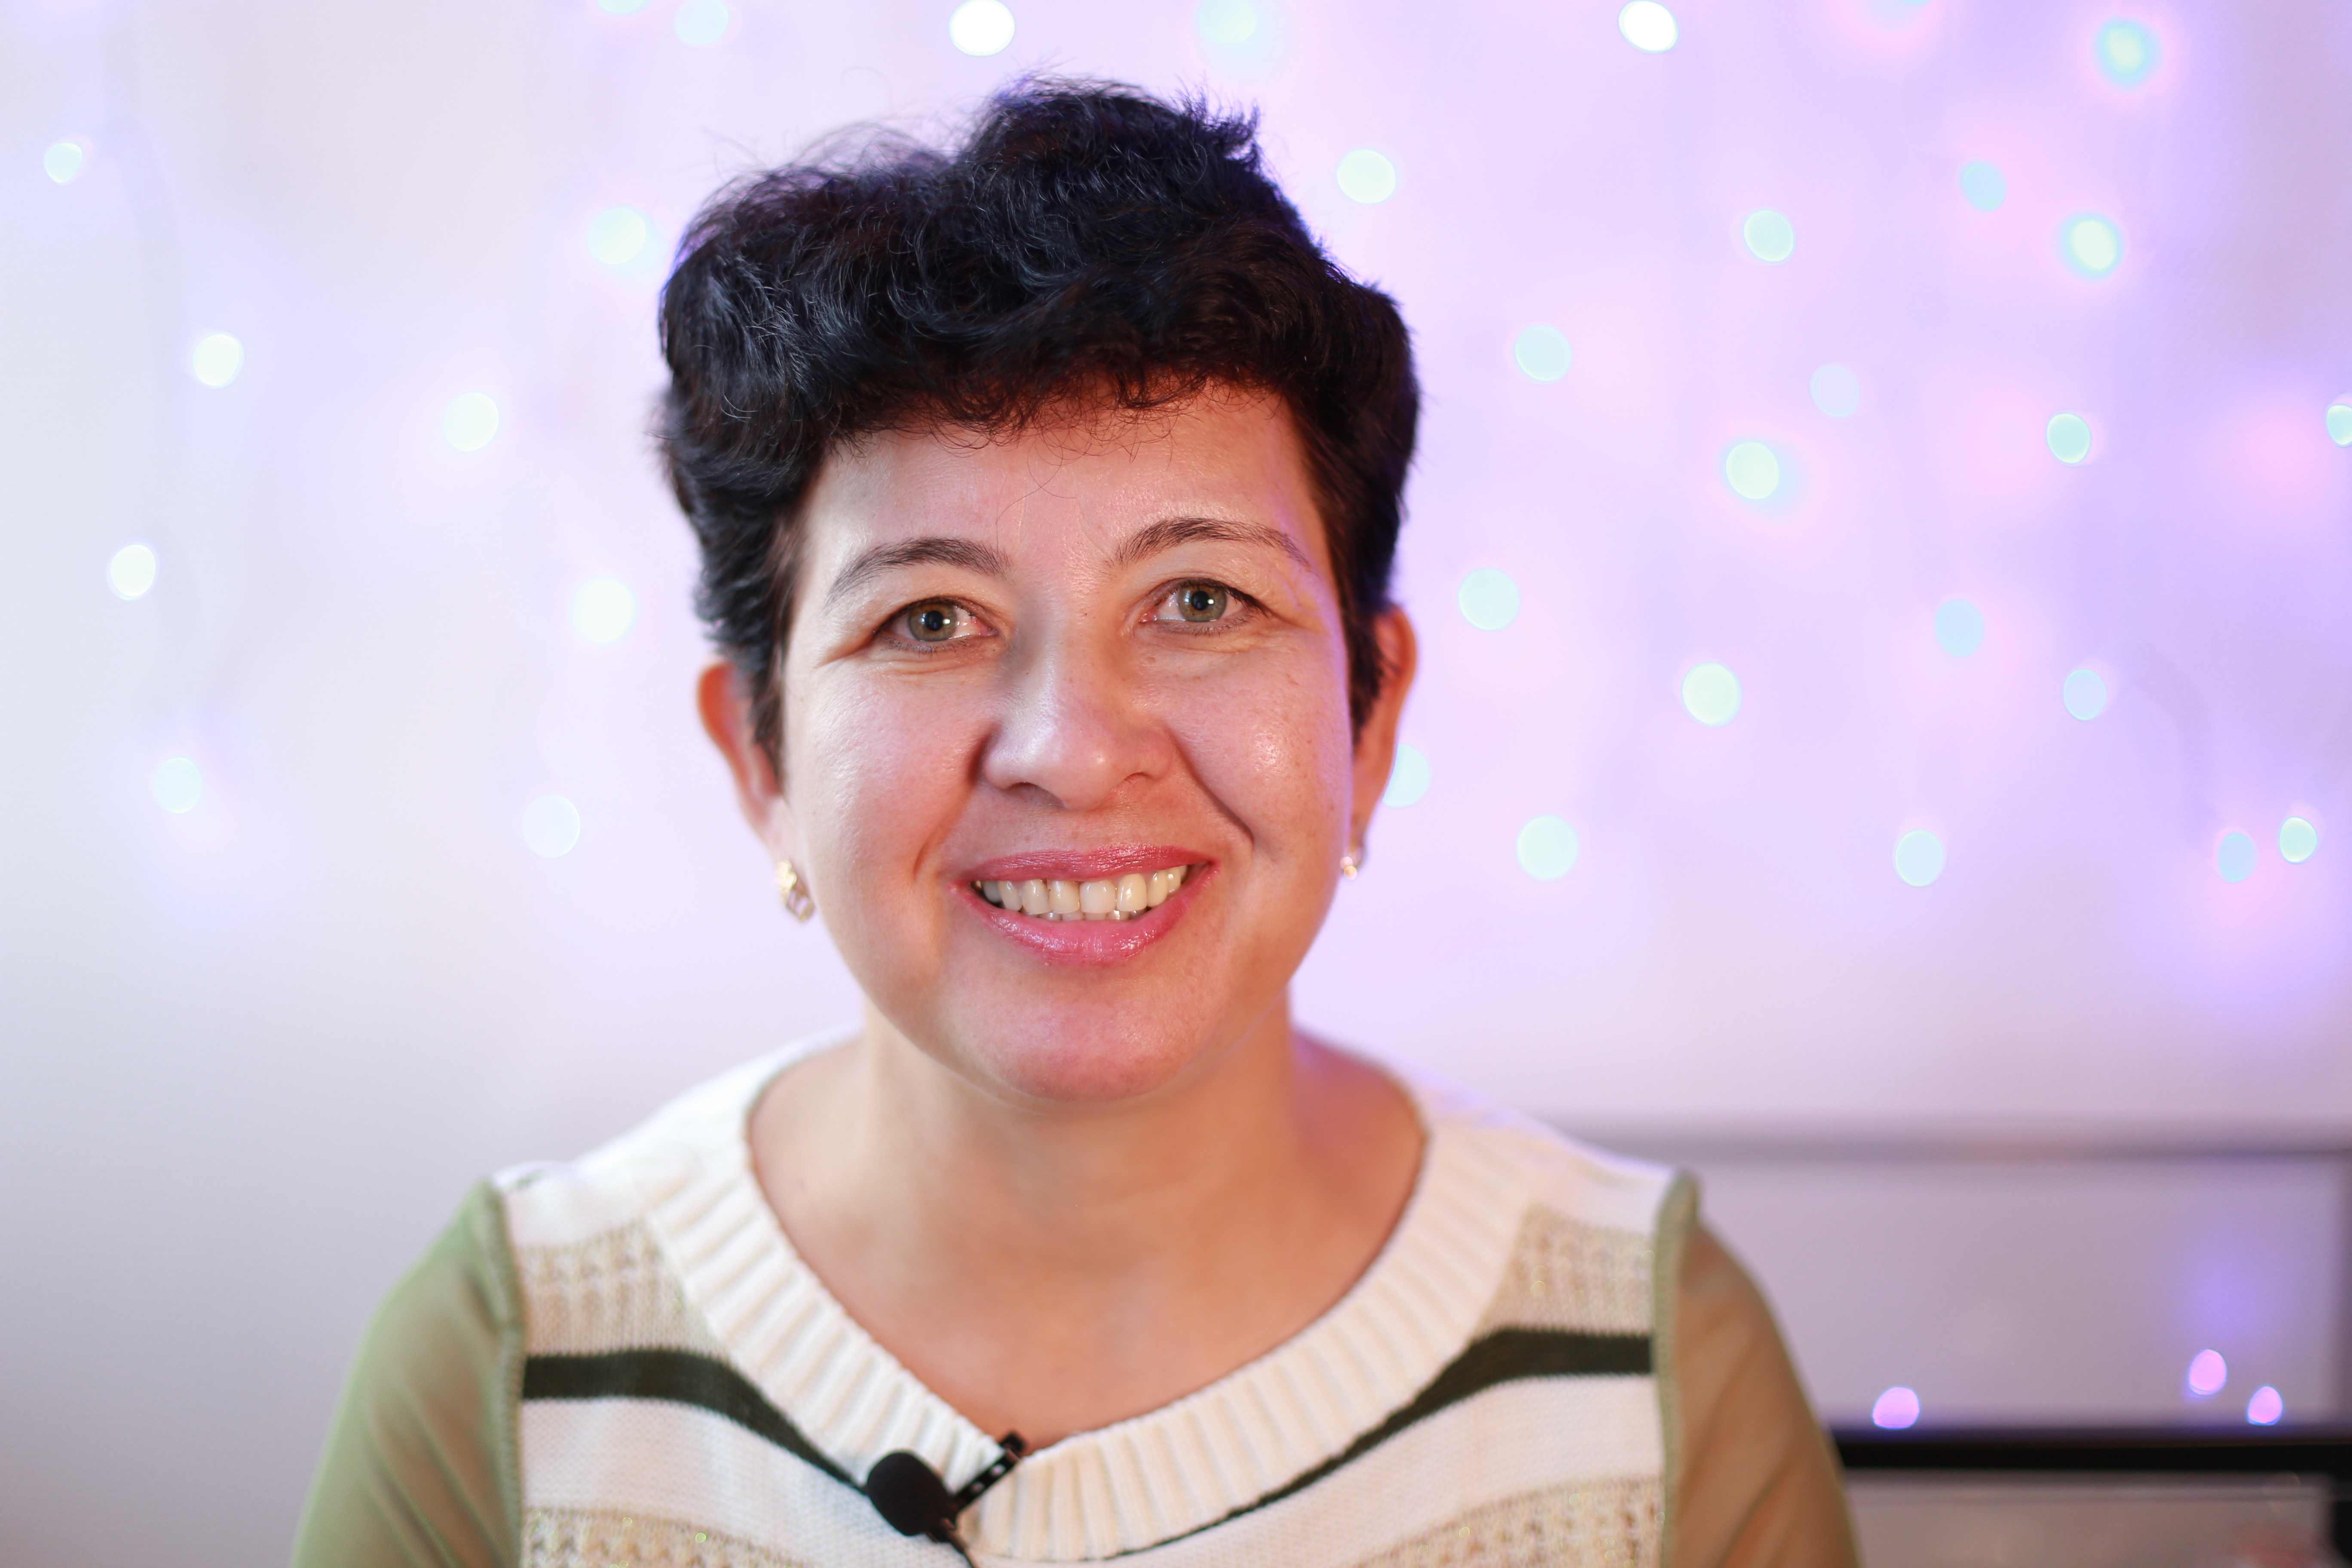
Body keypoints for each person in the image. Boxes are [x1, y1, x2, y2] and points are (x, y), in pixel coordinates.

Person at [294, 80, 1856, 1567]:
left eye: (1201, 600)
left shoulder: (1652, 1363)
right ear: (761, 756)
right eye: (929, 619)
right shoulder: (509, 1370)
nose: (1073, 753)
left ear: (1369, 719)